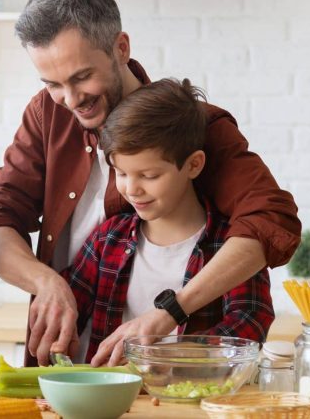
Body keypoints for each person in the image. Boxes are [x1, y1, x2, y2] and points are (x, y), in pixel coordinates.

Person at [0, 0, 300, 366]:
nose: (70, 100)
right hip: (75, 368)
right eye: (52, 83)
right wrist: (46, 283)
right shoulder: (47, 113)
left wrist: (170, 315)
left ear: (120, 48)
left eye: (81, 77)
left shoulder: (193, 126)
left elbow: (270, 220)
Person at [64, 78, 274, 366]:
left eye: (149, 176)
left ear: (193, 165)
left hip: (193, 401)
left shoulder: (230, 246)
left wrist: (164, 357)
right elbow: (68, 309)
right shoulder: (107, 239)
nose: (131, 189)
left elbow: (250, 323)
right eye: (121, 173)